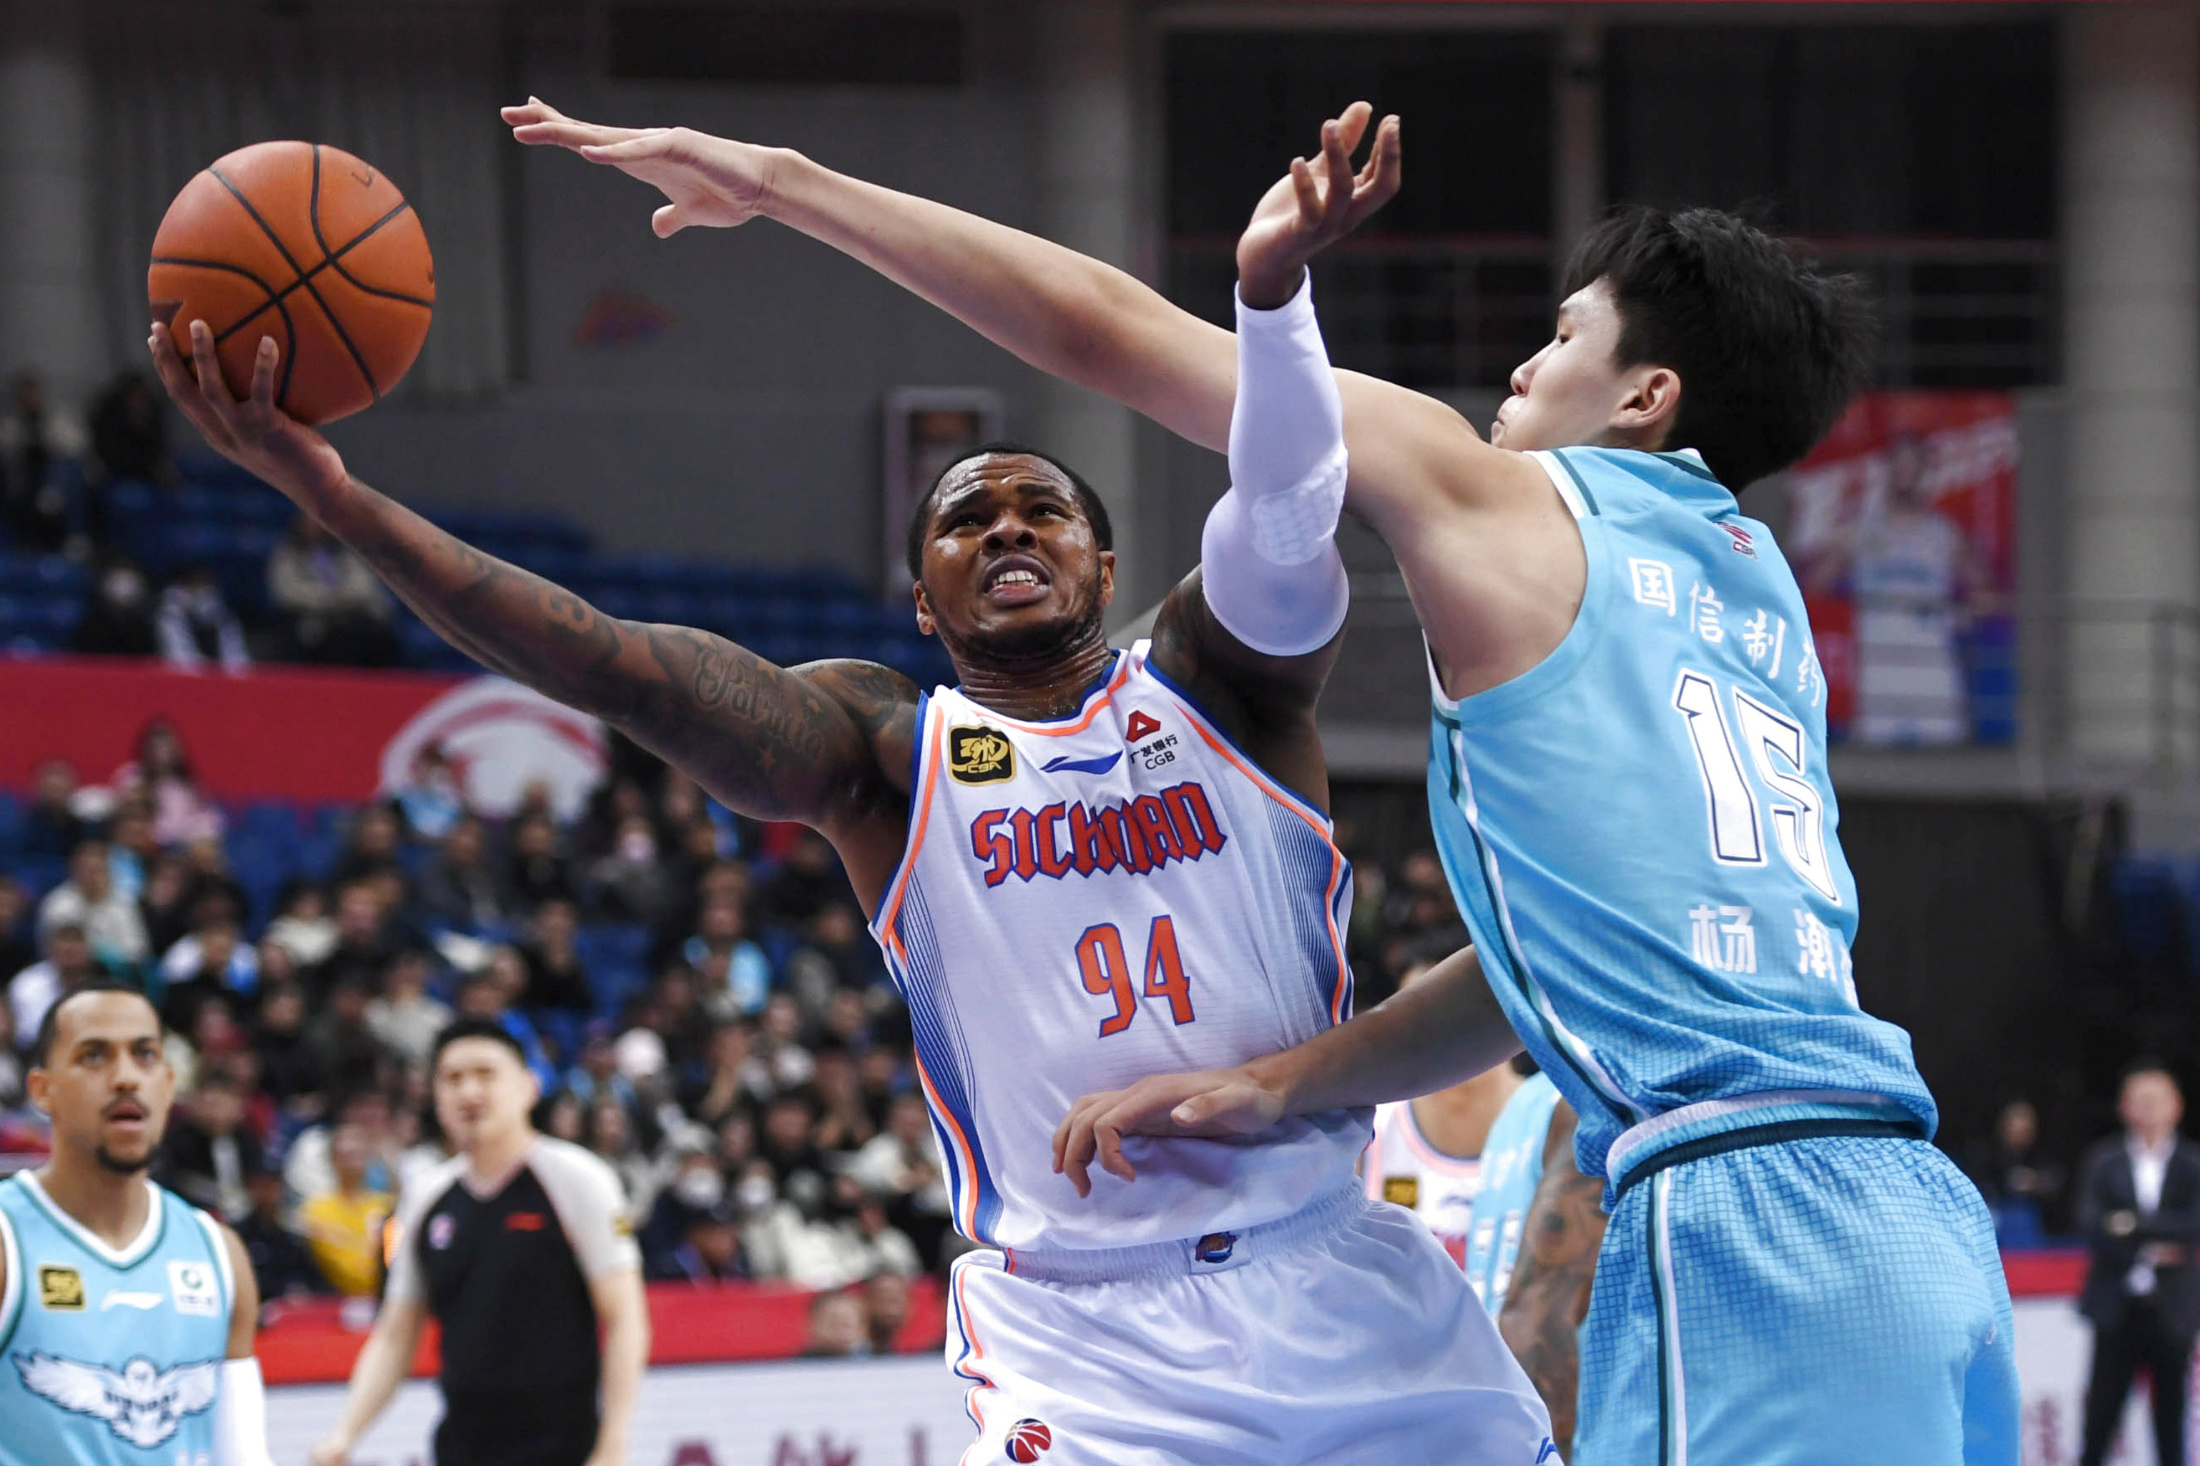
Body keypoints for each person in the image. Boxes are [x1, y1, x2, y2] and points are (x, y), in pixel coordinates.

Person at [508, 90, 2007, 1465]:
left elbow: (1106, 330)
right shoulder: (1763, 604)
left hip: (1743, 1206)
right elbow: (1538, 974)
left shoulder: (1501, 496)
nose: (1520, 367)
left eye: (1560, 338)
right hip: (1918, 1211)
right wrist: (1280, 1082)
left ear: (1644, 396)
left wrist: (785, 183)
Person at [152, 105, 1555, 1459]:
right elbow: (618, 667)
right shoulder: (885, 753)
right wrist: (341, 504)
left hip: (1337, 1276)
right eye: (965, 517)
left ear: (1107, 563)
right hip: (1094, 1336)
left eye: (1044, 508)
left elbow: (1294, 494)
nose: (1008, 525)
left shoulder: (1220, 681)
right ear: (924, 602)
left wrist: (1270, 300)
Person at [310, 1019, 649, 1466]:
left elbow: (625, 1317)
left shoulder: (578, 1179)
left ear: (528, 1087)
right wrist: (344, 1434)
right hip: (461, 1448)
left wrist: (614, 1444)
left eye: (486, 1074)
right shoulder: (424, 1197)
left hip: (565, 1449)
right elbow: (395, 1335)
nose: (468, 1091)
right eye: (452, 1078)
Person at [0, 981, 274, 1466]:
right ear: (42, 1089)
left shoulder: (218, 1252)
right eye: (94, 1056)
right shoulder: (8, 1239)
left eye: (144, 1055)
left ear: (168, 1085)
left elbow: (244, 1457)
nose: (126, 1078)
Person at [2077, 1062, 2200, 1466]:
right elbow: (2092, 1224)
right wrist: (2150, 1248)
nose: (2148, 1109)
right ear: (2124, 1107)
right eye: (2140, 1100)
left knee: (2171, 1423)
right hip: (2116, 1307)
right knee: (2099, 1419)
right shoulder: (2103, 1160)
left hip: (2172, 1309)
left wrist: (2131, 1225)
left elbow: (2192, 1224)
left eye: (2156, 1100)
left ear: (2177, 1106)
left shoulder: (2192, 1164)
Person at [268, 511, 399, 667]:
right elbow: (288, 592)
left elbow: (363, 587)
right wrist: (326, 599)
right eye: (312, 521)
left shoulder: (347, 550)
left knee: (375, 637)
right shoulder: (287, 553)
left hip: (353, 616)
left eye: (321, 521)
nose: (317, 526)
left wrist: (341, 599)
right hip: (313, 620)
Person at [296, 1120, 395, 1298]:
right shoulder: (317, 1209)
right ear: (332, 1159)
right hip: (336, 1300)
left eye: (359, 1154)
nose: (353, 1161)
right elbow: (341, 1264)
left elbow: (394, 1257)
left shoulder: (386, 1205)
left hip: (384, 1297)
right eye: (346, 1154)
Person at [154, 566, 251, 673]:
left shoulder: (223, 616)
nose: (203, 590)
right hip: (179, 677)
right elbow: (181, 660)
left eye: (206, 584)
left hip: (218, 676)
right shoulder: (170, 613)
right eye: (196, 584)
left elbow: (239, 660)